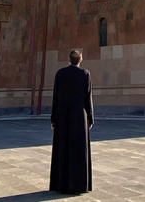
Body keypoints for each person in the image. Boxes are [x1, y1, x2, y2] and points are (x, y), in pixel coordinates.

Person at [49, 49, 94, 194]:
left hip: (62, 116)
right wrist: (90, 119)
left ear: (68, 60)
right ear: (81, 60)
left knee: (63, 147)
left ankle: (60, 185)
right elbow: (88, 98)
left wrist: (53, 119)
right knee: (79, 149)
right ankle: (79, 185)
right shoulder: (85, 74)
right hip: (80, 116)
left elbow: (55, 98)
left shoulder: (60, 74)